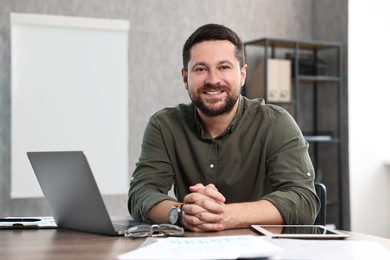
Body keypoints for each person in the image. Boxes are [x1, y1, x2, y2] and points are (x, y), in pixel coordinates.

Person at [128, 23, 320, 232]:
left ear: (242, 74)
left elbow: (303, 200)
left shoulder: (276, 123)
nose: (213, 80)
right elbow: (142, 193)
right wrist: (182, 213)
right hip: (191, 250)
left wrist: (225, 216)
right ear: (185, 77)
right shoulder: (164, 126)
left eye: (224, 67)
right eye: (201, 69)